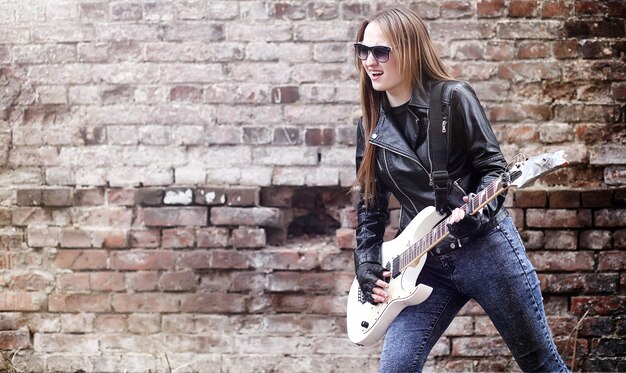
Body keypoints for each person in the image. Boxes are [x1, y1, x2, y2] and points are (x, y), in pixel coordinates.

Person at [352, 7, 569, 373]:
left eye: (381, 52)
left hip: (488, 252)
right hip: (424, 264)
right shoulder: (370, 124)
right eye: (363, 50)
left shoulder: (453, 98)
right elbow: (371, 206)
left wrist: (477, 213)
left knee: (541, 364)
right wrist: (366, 261)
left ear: (409, 50)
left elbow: (493, 171)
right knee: (396, 368)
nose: (370, 61)